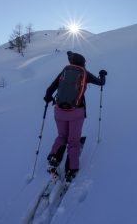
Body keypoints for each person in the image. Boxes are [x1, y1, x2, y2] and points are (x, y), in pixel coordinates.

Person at [43, 51, 107, 181]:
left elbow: (50, 90)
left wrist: (48, 98)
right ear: (83, 63)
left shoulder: (65, 72)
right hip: (76, 113)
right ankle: (72, 169)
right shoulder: (84, 73)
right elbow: (101, 83)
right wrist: (102, 75)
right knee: (73, 141)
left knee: (62, 136)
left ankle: (53, 156)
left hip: (59, 111)